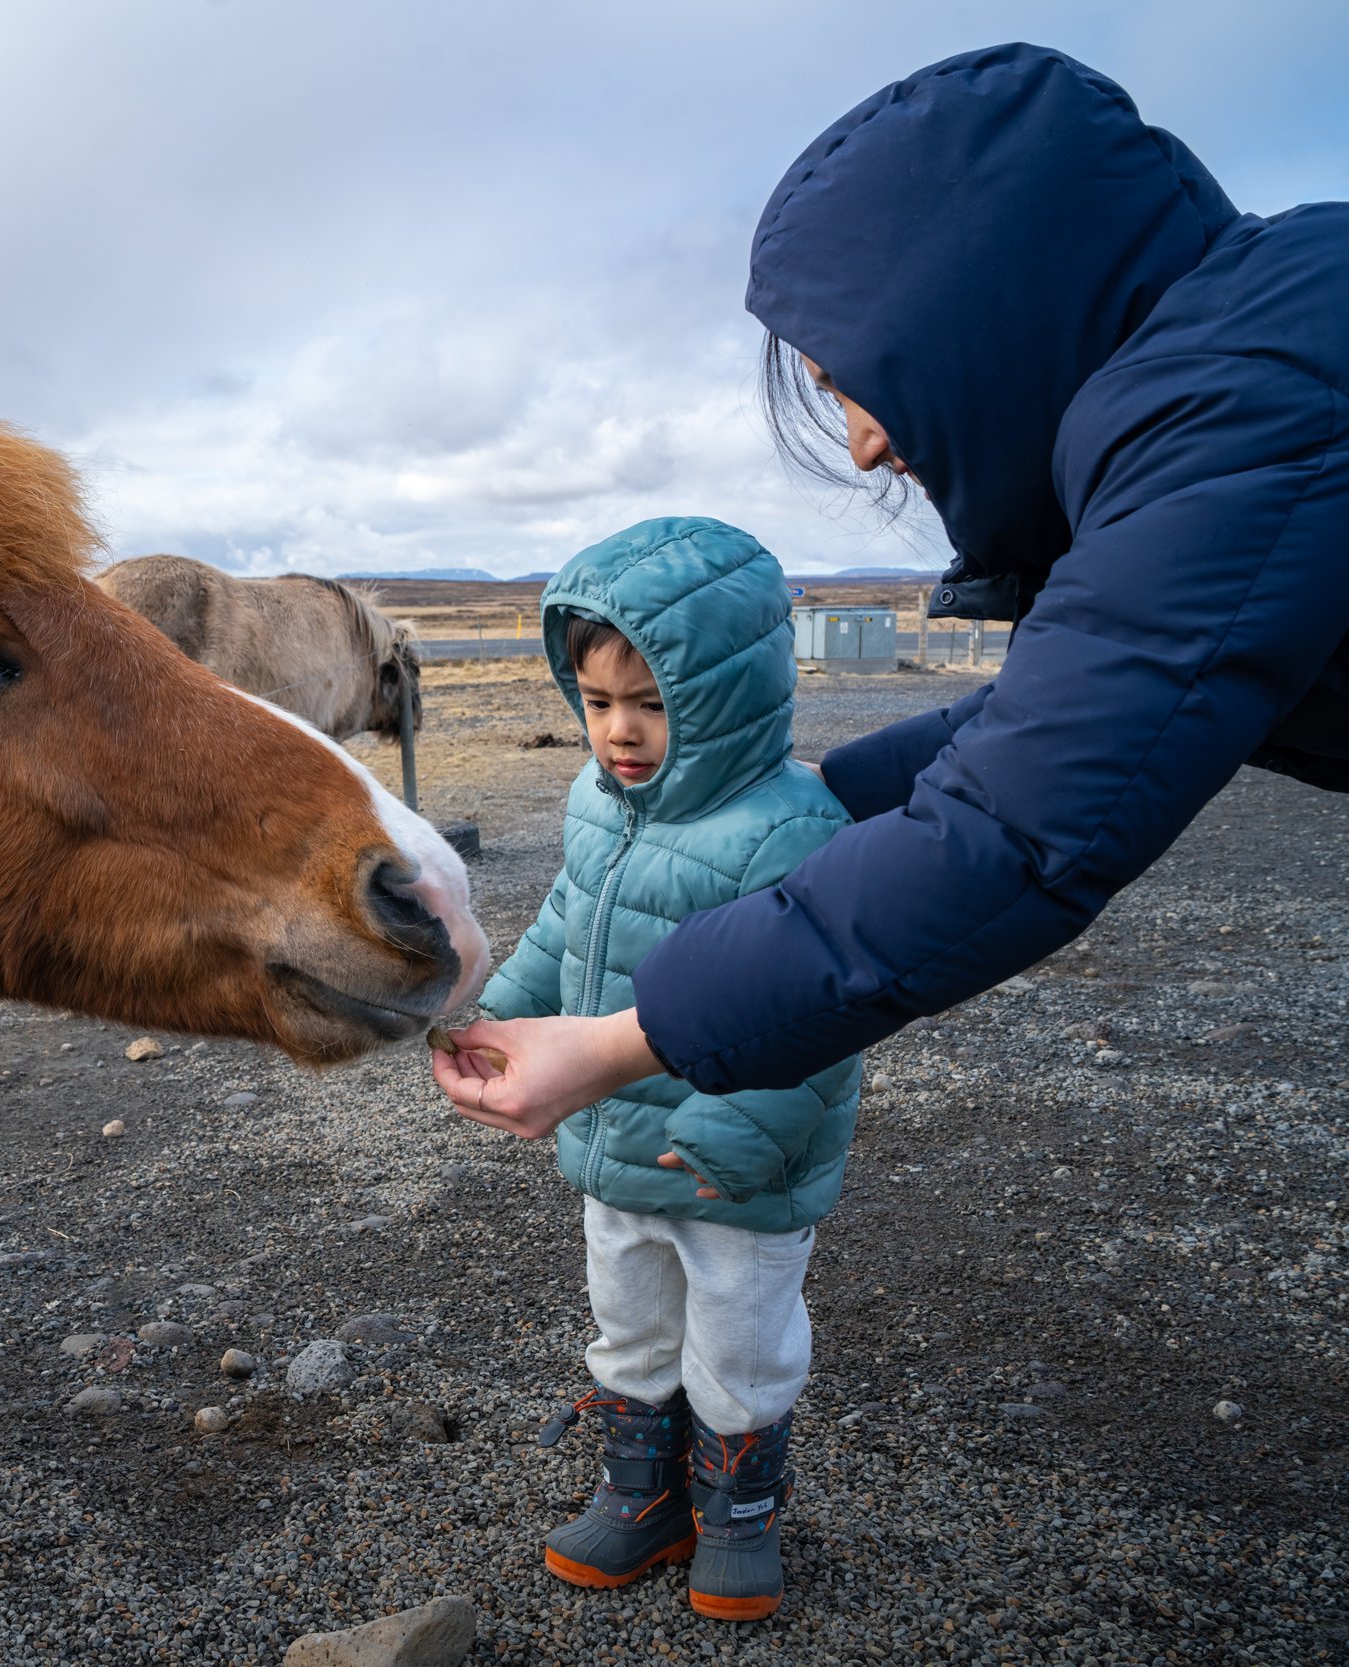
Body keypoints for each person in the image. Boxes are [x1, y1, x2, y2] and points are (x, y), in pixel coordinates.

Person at [436, 41, 1349, 1133]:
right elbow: (1059, 710)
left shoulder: (1244, 405)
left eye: (853, 382)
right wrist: (812, 790)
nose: (863, 446)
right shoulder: (1254, 346)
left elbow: (1018, 828)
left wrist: (626, 1041)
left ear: (967, 315)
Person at [443, 516, 857, 1621]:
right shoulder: (596, 802)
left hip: (735, 1167)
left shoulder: (793, 827)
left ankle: (736, 1514)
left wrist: (742, 1131)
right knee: (626, 1320)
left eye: (653, 703)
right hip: (613, 1136)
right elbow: (566, 924)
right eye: (596, 702)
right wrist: (500, 1012)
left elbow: (824, 1007)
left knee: (738, 1340)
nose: (619, 731)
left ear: (731, 692)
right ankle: (641, 1495)